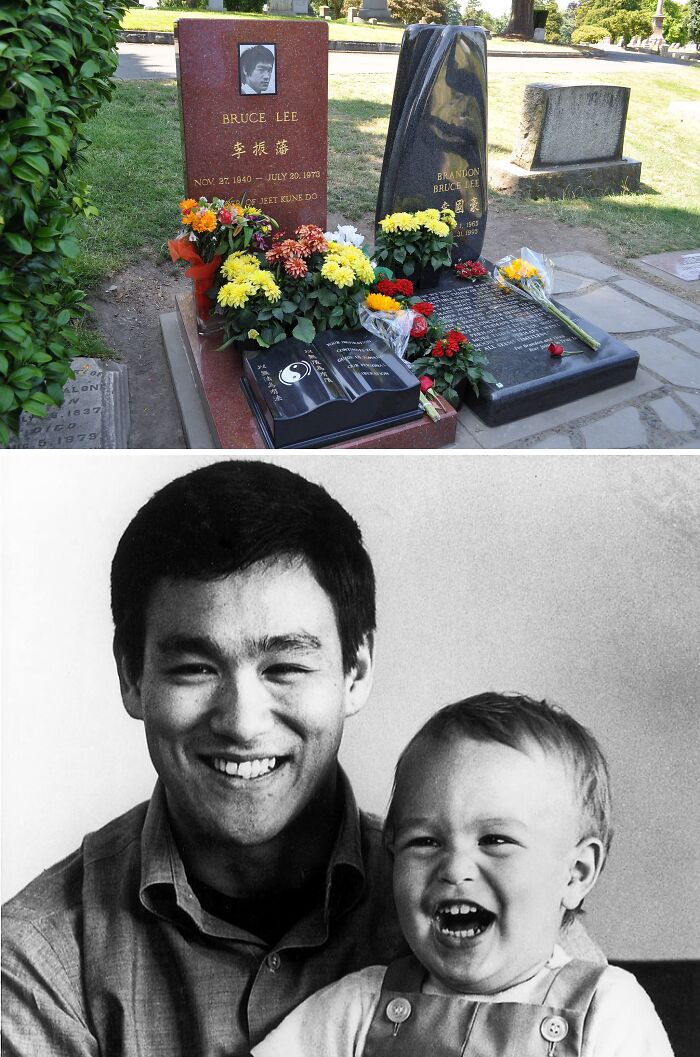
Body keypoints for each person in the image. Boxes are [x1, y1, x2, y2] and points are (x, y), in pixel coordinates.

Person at [1, 465, 600, 1057]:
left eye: (285, 668)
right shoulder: (44, 955)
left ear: (355, 672)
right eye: (194, 669)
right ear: (131, 678)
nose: (241, 721)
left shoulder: (485, 905)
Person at [252, 693, 674, 1057]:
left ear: (576, 873)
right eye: (425, 842)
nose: (454, 868)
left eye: (495, 840)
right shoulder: (359, 1005)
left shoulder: (605, 1007)